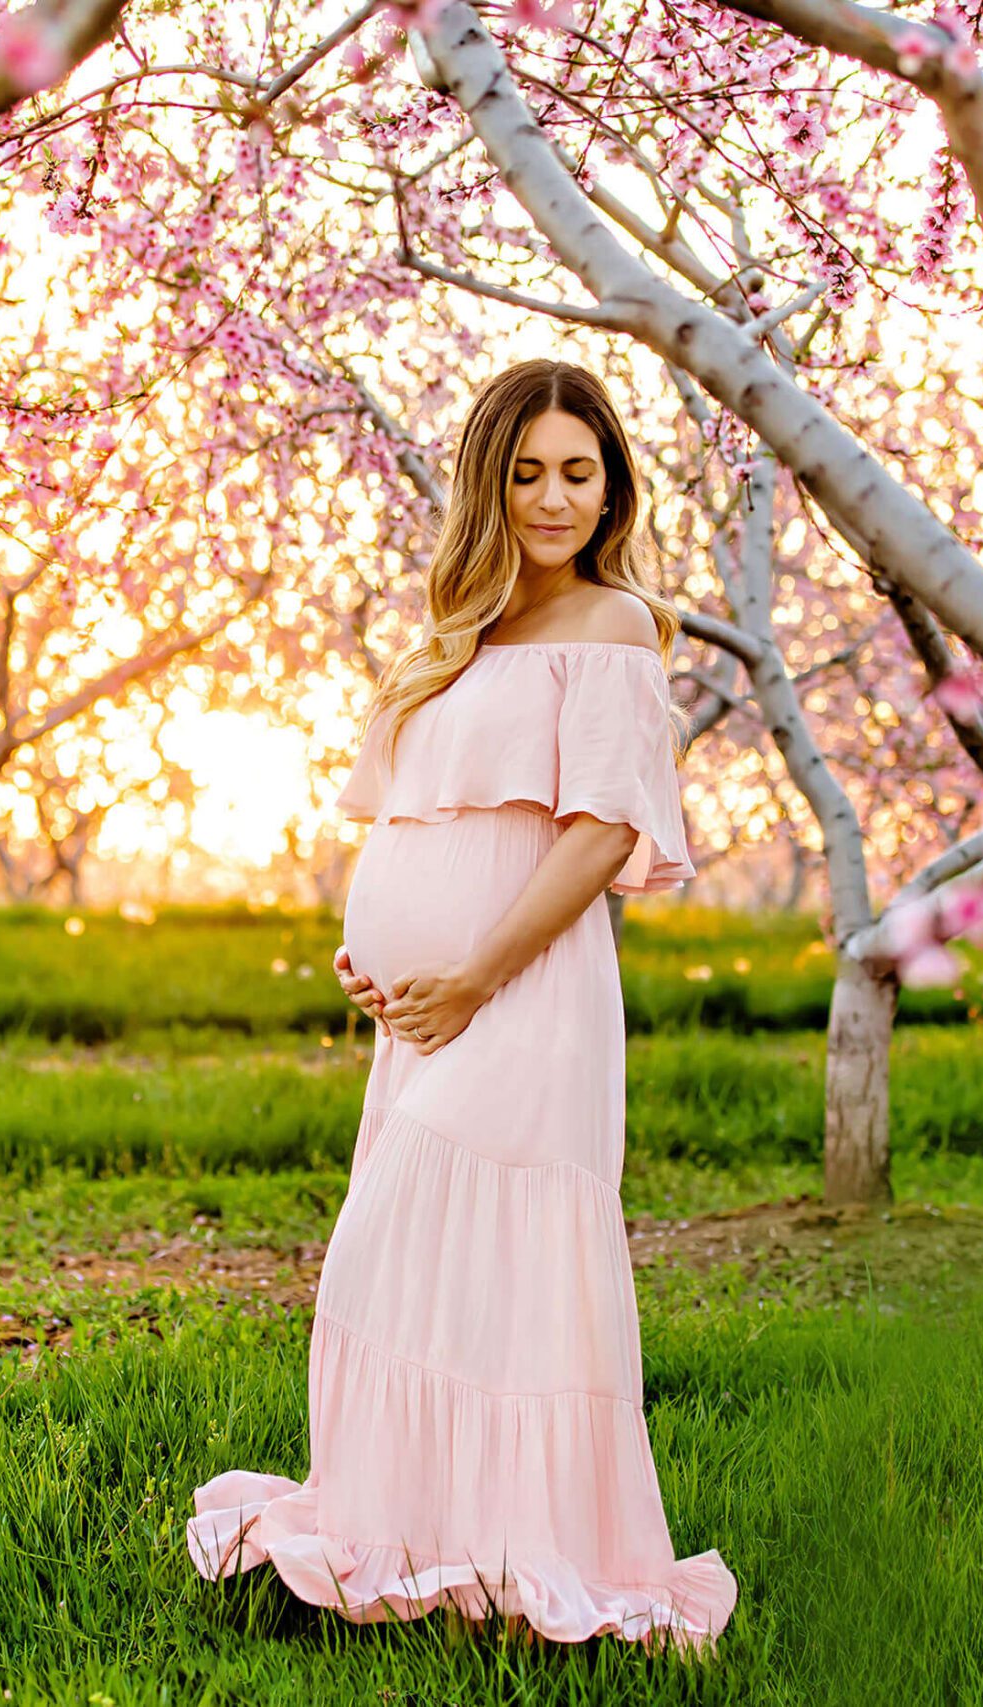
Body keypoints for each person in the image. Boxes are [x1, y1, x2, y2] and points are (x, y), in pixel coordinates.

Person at [183, 359, 736, 1655]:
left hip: (525, 996)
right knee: (407, 1270)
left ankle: (525, 1555)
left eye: (578, 473)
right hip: (425, 1010)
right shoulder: (463, 636)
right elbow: (421, 826)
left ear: (613, 488)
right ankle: (423, 1545)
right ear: (489, 482)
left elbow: (602, 833)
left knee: (462, 1256)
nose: (553, 498)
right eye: (528, 471)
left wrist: (476, 971)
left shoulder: (612, 627)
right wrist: (377, 960)